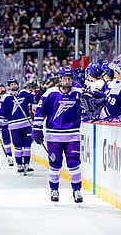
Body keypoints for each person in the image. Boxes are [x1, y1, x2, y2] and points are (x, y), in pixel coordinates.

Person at [32, 66, 83, 203]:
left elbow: (86, 110)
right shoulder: (50, 93)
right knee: (55, 163)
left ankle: (77, 190)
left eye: (69, 79)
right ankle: (54, 190)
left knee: (73, 163)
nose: (67, 81)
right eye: (65, 79)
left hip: (73, 135)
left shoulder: (78, 93)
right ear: (60, 79)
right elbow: (40, 111)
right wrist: (37, 127)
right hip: (54, 136)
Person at [0, 78, 40, 174]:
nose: (14, 86)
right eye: (11, 85)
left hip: (26, 124)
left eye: (15, 84)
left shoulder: (24, 93)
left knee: (27, 145)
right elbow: (2, 114)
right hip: (14, 126)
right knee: (18, 146)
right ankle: (19, 164)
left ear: (18, 84)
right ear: (9, 87)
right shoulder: (6, 98)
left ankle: (27, 164)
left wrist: (36, 91)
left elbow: (35, 100)